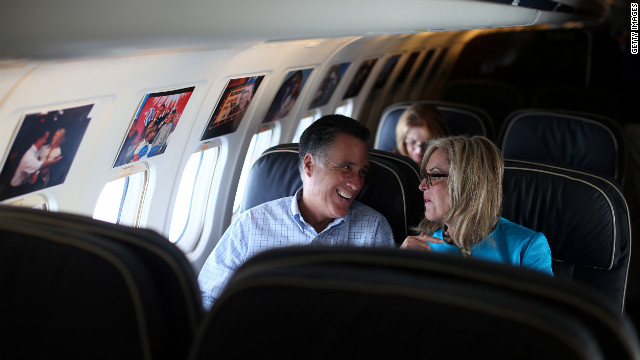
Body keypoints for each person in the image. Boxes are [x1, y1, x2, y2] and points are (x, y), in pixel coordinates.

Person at [198, 115, 395, 309]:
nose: (357, 183)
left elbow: (384, 312)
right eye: (346, 167)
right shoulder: (250, 225)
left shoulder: (374, 230)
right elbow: (207, 299)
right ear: (309, 165)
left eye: (362, 172)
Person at [400, 135, 553, 276]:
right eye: (424, 177)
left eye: (433, 176)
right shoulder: (422, 248)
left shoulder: (527, 247)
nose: (421, 186)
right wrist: (400, 269)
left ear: (466, 183)